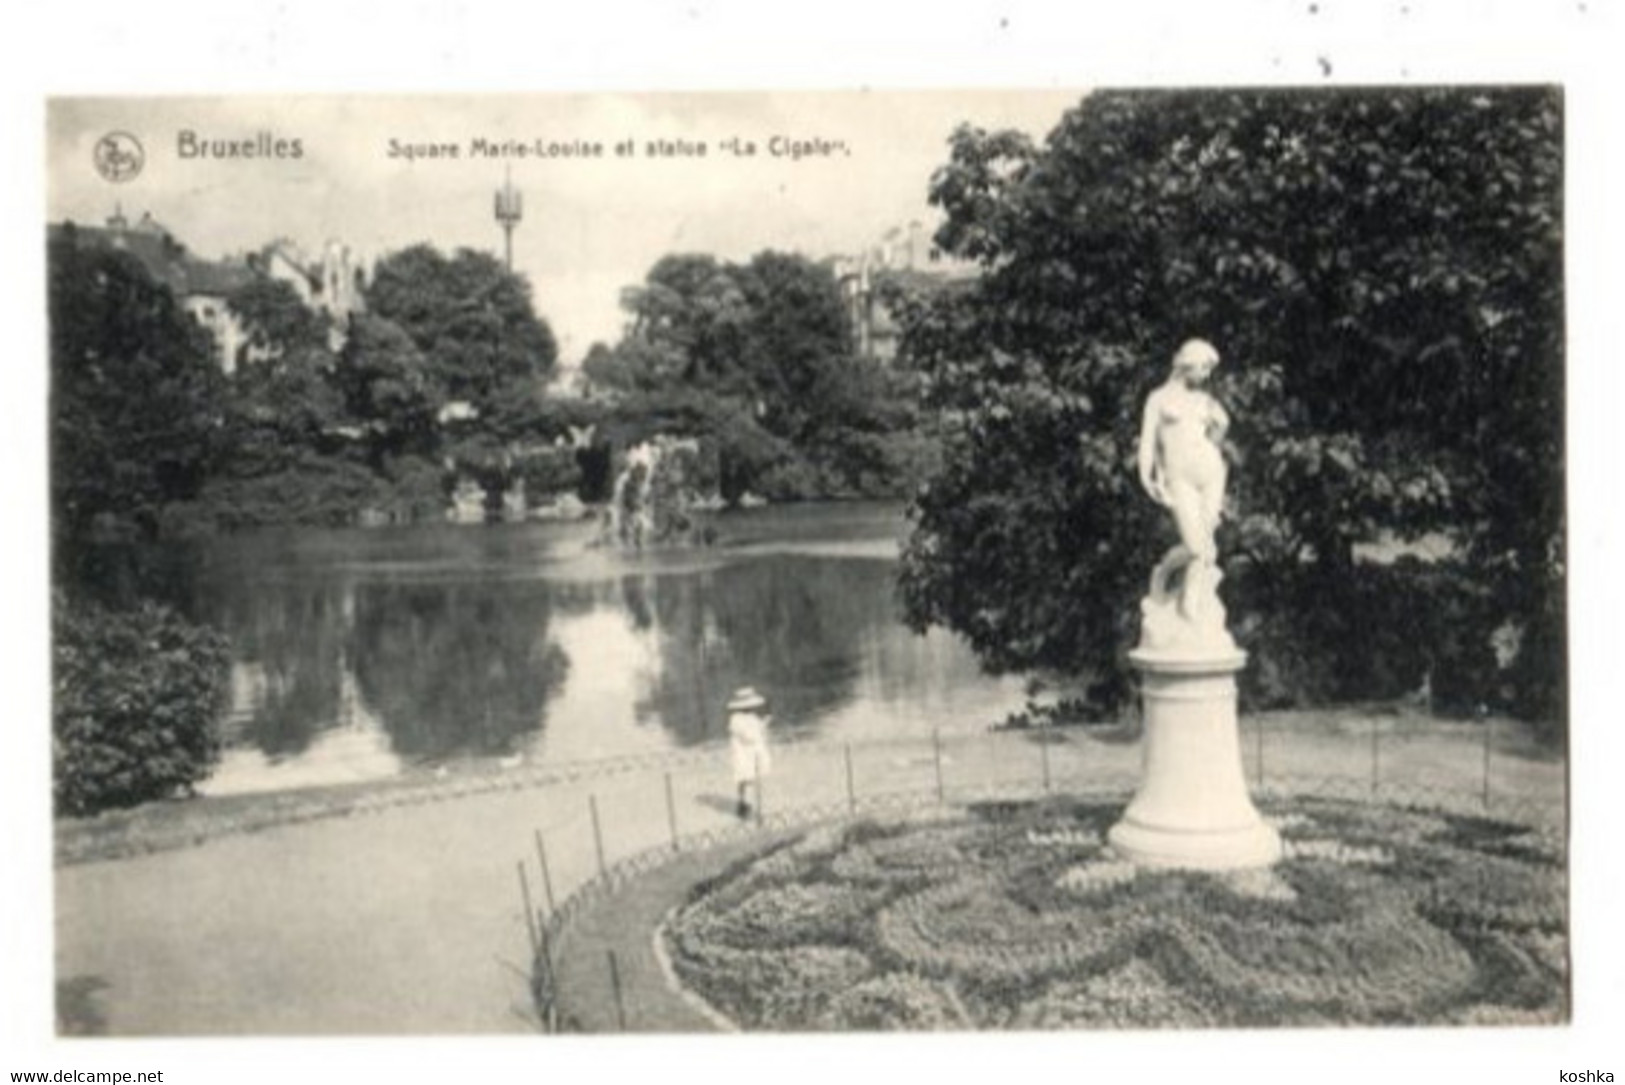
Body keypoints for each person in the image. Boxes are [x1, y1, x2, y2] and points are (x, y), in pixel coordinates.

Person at [1137, 338, 1230, 625]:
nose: (1206, 376)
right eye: (1203, 368)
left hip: (1211, 472)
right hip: (1179, 477)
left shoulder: (1205, 401)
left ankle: (1191, 607)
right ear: (1186, 364)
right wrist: (1146, 476)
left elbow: (1215, 437)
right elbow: (1148, 443)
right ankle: (1162, 575)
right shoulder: (1158, 398)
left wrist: (1222, 428)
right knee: (1194, 547)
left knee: (1206, 547)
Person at [726, 686, 773, 818]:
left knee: (753, 778)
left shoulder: (752, 717)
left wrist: (766, 721)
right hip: (743, 753)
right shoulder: (735, 719)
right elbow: (748, 736)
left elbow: (759, 729)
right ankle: (742, 803)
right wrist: (759, 731)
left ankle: (752, 805)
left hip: (753, 752)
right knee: (743, 779)